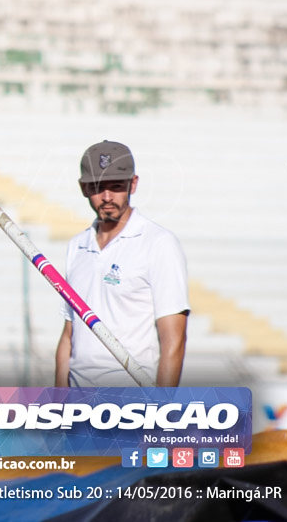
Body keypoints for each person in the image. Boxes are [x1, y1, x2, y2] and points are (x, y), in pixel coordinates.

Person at [55, 140, 189, 388]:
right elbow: (68, 336)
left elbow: (174, 341)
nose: (107, 197)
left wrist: (161, 413)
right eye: (97, 187)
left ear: (133, 184)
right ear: (83, 188)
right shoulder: (77, 246)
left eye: (116, 186)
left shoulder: (159, 243)